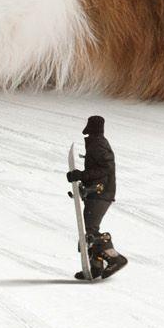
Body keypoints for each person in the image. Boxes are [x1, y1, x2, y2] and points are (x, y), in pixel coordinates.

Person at [67, 114, 126, 278]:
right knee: (90, 229)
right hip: (97, 192)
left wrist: (82, 175)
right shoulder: (96, 143)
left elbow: (106, 168)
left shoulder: (98, 144)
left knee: (91, 231)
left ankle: (115, 258)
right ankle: (96, 266)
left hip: (101, 192)